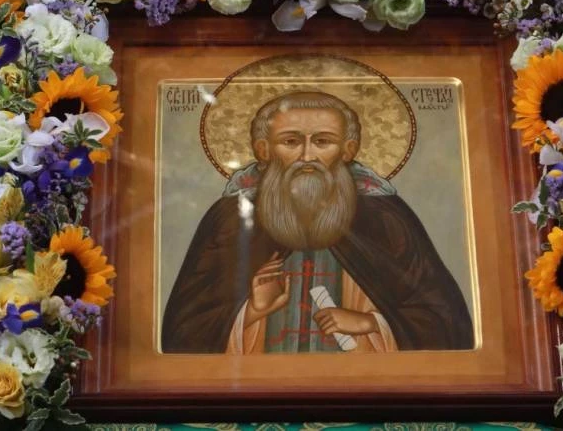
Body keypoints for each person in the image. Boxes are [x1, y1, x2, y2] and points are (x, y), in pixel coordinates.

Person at [161, 91, 474, 353]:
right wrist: (251, 311)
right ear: (264, 150)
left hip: (365, 387)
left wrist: (369, 323)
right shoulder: (232, 220)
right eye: (291, 142)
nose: (307, 156)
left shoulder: (384, 219)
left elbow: (444, 325)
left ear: (348, 150)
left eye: (323, 142)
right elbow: (184, 334)